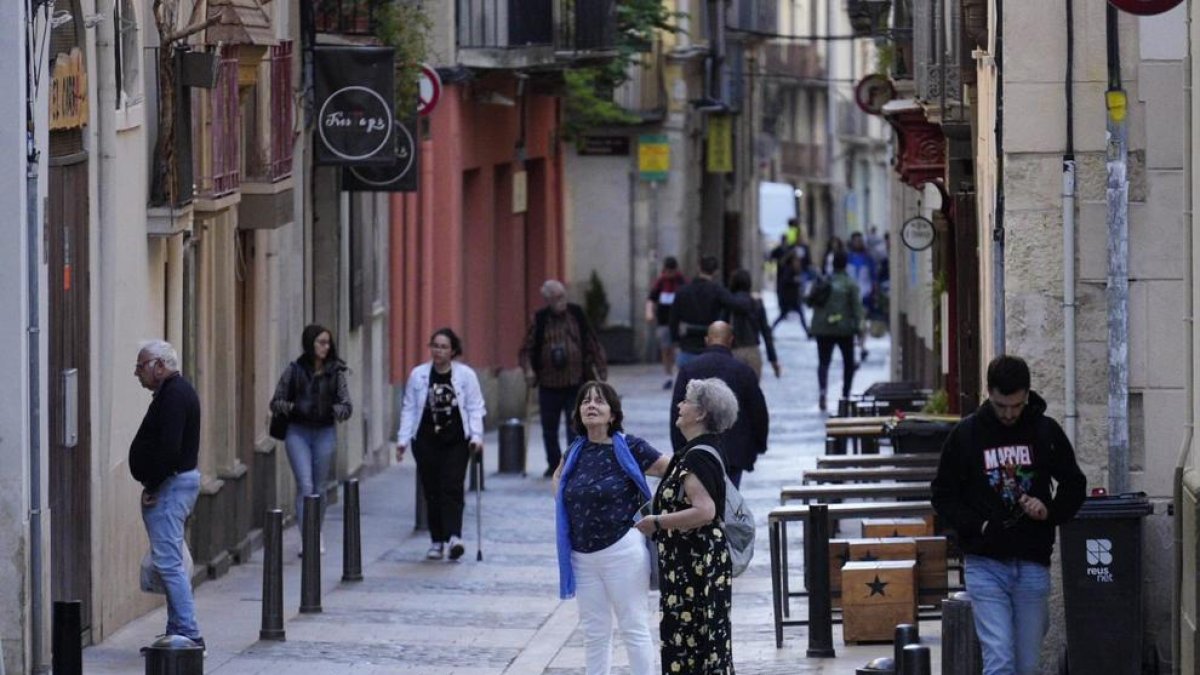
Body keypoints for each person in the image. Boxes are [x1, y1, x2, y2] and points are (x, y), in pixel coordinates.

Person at [931, 355, 1086, 675]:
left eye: (1016, 406)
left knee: (1028, 664)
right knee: (999, 658)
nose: (1009, 414)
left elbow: (1074, 484)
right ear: (989, 393)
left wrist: (1049, 512)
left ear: (1027, 395)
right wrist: (979, 525)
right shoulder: (967, 435)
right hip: (984, 564)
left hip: (1032, 561)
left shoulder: (1045, 431)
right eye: (1001, 405)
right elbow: (943, 495)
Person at [554, 381, 670, 675]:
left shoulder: (631, 447)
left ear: (613, 414)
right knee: (595, 633)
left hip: (623, 550)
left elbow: (672, 470)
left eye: (599, 402)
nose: (591, 406)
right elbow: (558, 480)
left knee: (633, 627)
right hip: (582, 555)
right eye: (585, 402)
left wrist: (668, 515)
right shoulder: (574, 451)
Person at [635, 377, 738, 674]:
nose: (678, 406)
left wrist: (657, 522)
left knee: (693, 642)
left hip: (696, 564)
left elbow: (705, 511)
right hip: (691, 562)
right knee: (697, 641)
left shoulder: (696, 456)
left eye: (686, 402)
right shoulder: (694, 451)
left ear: (702, 413)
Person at [129, 340, 204, 649]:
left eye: (141, 365)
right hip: (173, 484)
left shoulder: (174, 396)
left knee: (170, 562)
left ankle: (189, 633)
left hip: (171, 486)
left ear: (160, 366)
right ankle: (177, 629)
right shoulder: (172, 392)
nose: (137, 373)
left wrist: (153, 482)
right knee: (169, 558)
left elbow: (169, 450)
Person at [396, 328, 487, 561]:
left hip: (456, 441)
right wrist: (402, 440)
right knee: (432, 490)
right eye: (435, 346)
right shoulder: (418, 375)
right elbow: (409, 408)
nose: (438, 351)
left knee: (452, 487)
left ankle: (454, 536)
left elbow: (475, 407)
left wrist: (477, 436)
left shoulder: (465, 376)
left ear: (453, 350)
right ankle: (437, 540)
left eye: (444, 346)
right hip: (426, 441)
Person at [270, 324, 352, 554]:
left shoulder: (336, 372)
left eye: (328, 343)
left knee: (320, 487)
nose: (326, 347)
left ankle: (317, 530)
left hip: (325, 432)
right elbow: (275, 402)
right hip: (298, 431)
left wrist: (331, 410)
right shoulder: (294, 370)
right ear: (310, 344)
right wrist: (295, 408)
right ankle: (309, 537)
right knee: (305, 484)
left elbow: (347, 406)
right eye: (321, 342)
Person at [520, 279, 609, 477]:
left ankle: (572, 464)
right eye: (556, 298)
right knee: (549, 429)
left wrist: (600, 368)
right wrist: (528, 370)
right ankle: (553, 464)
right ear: (547, 300)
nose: (561, 301)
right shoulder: (541, 319)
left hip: (575, 381)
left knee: (575, 426)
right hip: (548, 383)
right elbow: (527, 348)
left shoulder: (576, 314)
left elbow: (591, 341)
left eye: (562, 296)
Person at [669, 322, 768, 488]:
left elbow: (677, 411)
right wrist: (758, 445)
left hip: (697, 450)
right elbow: (758, 412)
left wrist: (679, 449)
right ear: (731, 340)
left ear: (707, 339)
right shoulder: (743, 371)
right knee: (729, 498)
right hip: (734, 452)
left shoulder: (689, 369)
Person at [668, 255, 751, 369]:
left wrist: (676, 341)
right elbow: (738, 306)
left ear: (699, 268)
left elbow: (673, 320)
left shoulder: (682, 291)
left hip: (687, 347)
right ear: (716, 272)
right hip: (709, 347)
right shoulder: (717, 291)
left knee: (685, 384)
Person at [810, 251, 865, 413]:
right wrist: (860, 330)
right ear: (845, 264)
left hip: (822, 329)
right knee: (848, 363)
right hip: (844, 330)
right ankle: (845, 395)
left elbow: (811, 301)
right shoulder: (850, 284)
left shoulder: (824, 281)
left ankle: (822, 392)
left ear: (832, 264)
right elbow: (857, 309)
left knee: (823, 362)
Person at [727, 268, 781, 379]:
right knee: (752, 392)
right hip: (753, 351)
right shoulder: (757, 304)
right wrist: (773, 360)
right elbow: (766, 333)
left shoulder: (728, 303)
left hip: (733, 351)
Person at [645, 257, 687, 390]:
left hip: (679, 321)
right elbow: (651, 299)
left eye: (671, 272)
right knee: (665, 348)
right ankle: (668, 375)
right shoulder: (660, 282)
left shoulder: (682, 282)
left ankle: (678, 374)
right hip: (663, 321)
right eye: (667, 271)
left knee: (677, 348)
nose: (669, 274)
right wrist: (649, 312)